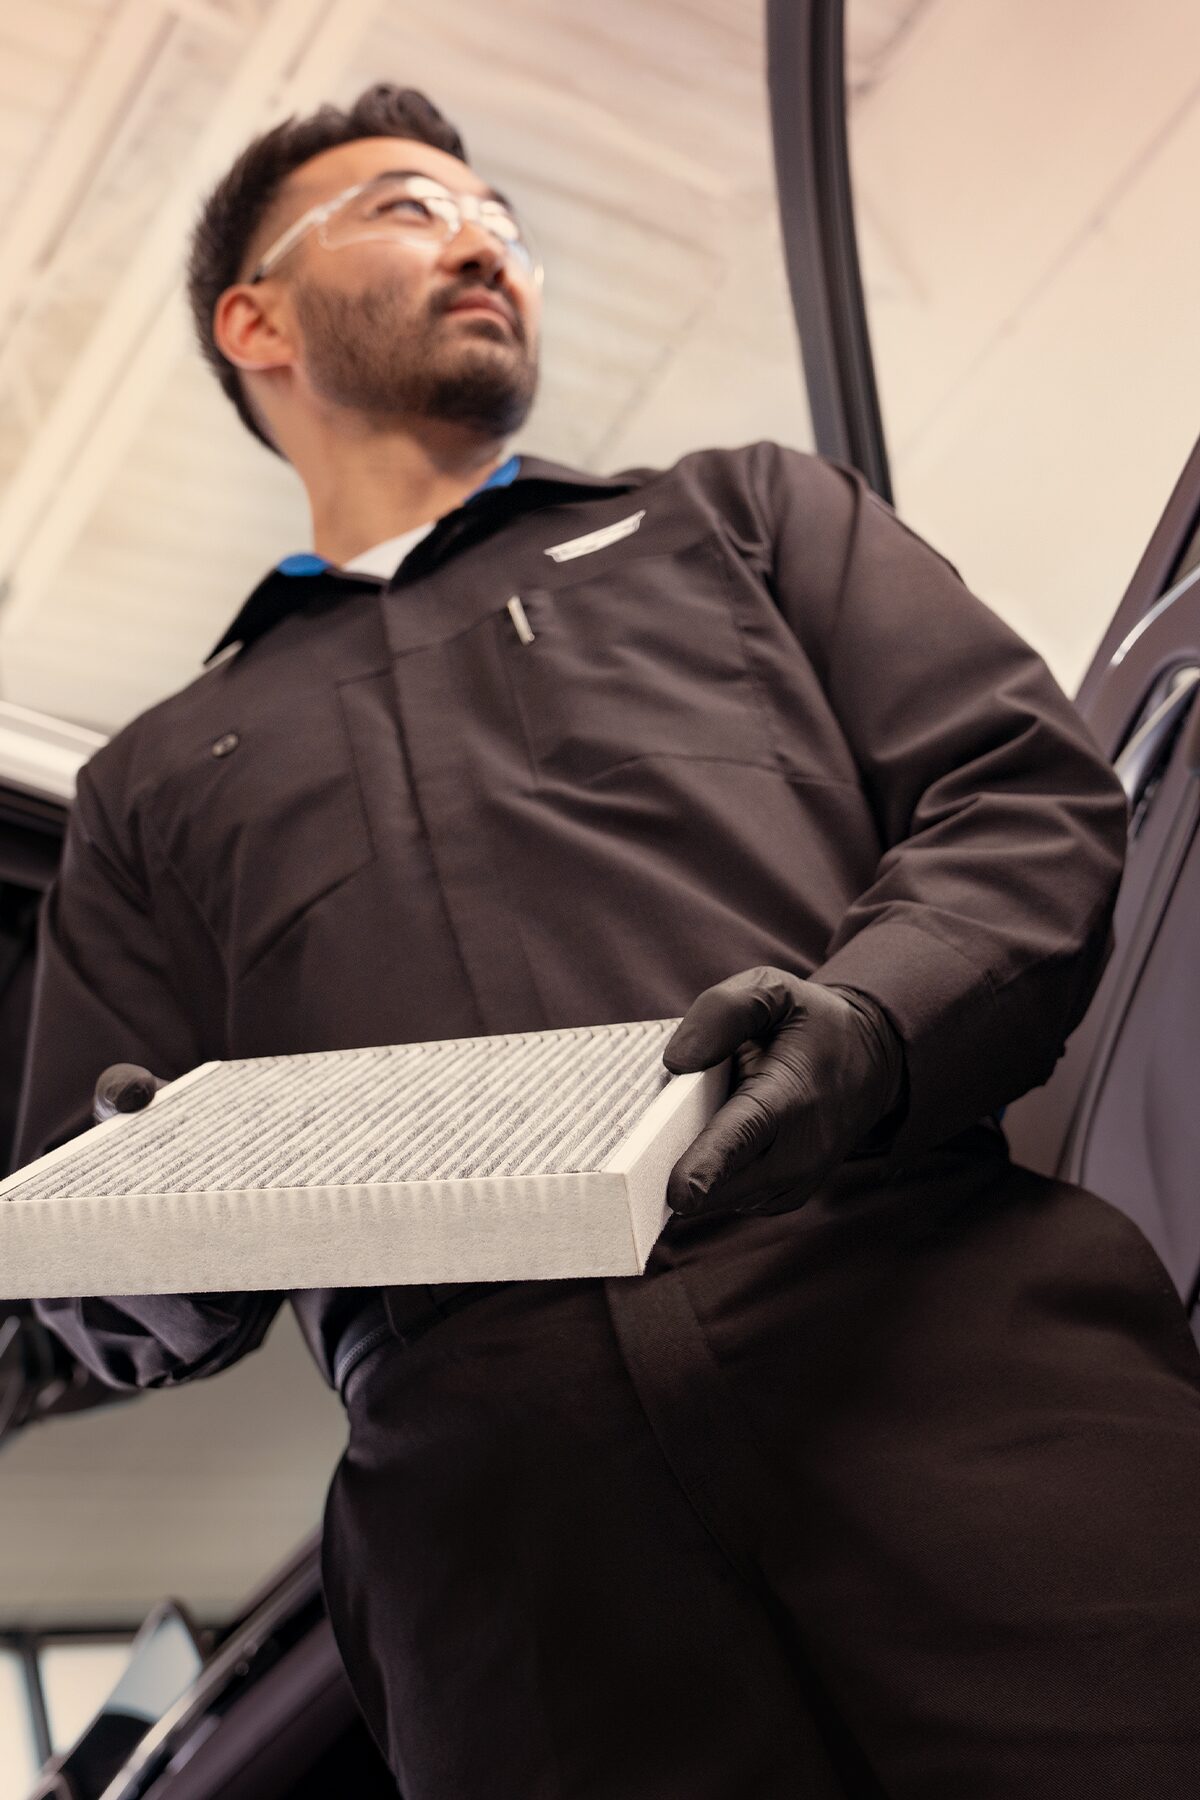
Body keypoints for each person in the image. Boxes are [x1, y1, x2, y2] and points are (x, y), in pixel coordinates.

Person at [15, 82, 1200, 1799]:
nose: (485, 240)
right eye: (411, 207)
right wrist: (160, 1214)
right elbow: (81, 1221)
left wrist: (869, 1026)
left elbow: (1018, 797)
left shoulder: (744, 519)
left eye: (500, 218)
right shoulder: (150, 783)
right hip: (508, 1582)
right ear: (255, 321)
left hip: (952, 1371)